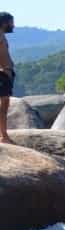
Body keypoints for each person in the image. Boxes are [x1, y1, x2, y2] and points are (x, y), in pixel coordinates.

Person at [0, 11, 15, 145]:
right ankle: (4, 136)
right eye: (11, 22)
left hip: (5, 74)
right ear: (5, 23)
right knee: (3, 106)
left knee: (5, 105)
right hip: (2, 74)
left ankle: (4, 135)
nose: (13, 25)